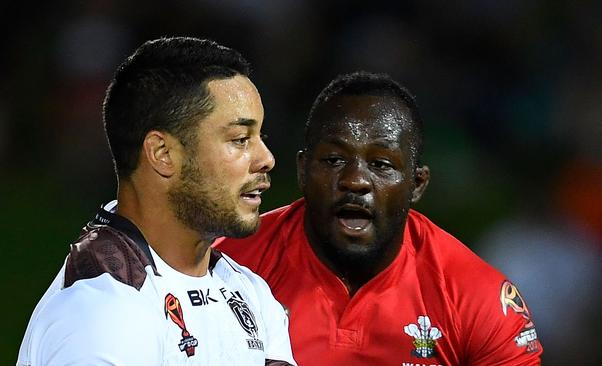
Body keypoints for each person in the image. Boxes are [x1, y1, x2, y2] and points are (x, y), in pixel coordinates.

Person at [214, 72, 543, 365]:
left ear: (417, 184)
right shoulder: (228, 268)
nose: (355, 180)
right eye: (333, 159)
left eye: (382, 164)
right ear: (303, 171)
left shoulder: (474, 296)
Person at [17, 37, 296, 366]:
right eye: (239, 140)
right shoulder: (103, 310)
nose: (266, 158)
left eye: (260, 137)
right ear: (163, 154)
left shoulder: (249, 291)